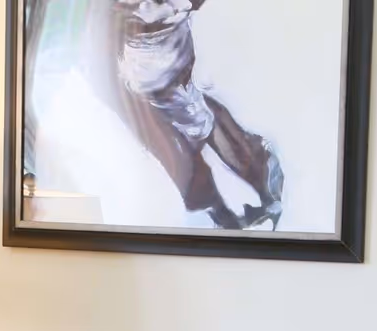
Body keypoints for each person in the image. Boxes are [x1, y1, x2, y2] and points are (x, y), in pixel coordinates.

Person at [109, 0, 285, 229]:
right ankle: (241, 196)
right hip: (151, 56)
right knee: (189, 122)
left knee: (195, 121)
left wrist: (162, 10)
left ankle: (252, 185)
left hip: (159, 55)